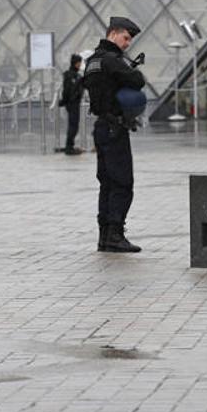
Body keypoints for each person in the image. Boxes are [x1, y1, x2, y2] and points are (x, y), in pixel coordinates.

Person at [82, 16, 145, 253]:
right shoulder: (111, 60)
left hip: (101, 127)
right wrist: (128, 69)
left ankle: (104, 235)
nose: (127, 44)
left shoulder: (92, 61)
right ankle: (115, 235)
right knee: (122, 182)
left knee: (106, 183)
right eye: (126, 38)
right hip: (115, 127)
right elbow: (137, 81)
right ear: (113, 33)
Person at [60, 54, 84, 155]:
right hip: (72, 103)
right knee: (73, 125)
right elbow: (67, 90)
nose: (80, 64)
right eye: (79, 62)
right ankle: (69, 147)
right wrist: (65, 101)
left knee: (73, 125)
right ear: (75, 63)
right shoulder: (70, 75)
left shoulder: (77, 75)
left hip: (74, 102)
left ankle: (69, 145)